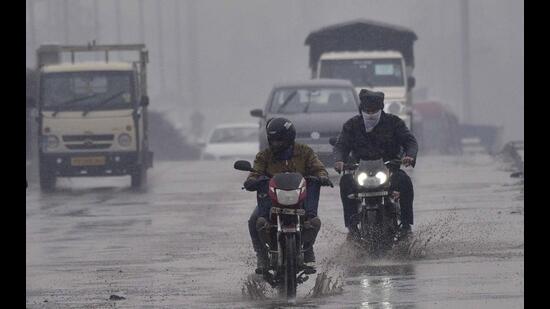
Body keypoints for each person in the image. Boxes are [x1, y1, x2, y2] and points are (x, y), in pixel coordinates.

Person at [243, 117, 332, 272]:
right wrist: (252, 180)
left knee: (314, 222)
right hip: (271, 202)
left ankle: (307, 249)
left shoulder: (305, 151)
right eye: (273, 140)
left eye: (279, 140)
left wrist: (322, 177)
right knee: (254, 221)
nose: (275, 144)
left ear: (289, 138)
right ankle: (262, 256)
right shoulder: (263, 156)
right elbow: (255, 173)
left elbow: (319, 168)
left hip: (300, 201)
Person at [333, 89, 418, 239]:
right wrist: (339, 160)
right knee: (345, 182)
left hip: (389, 170)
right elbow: (341, 145)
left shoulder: (394, 122)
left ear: (381, 108)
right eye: (367, 110)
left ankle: (406, 225)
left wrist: (409, 156)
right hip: (360, 171)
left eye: (374, 110)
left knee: (405, 182)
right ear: (362, 109)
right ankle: (352, 228)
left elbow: (410, 141)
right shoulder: (352, 125)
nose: (371, 113)